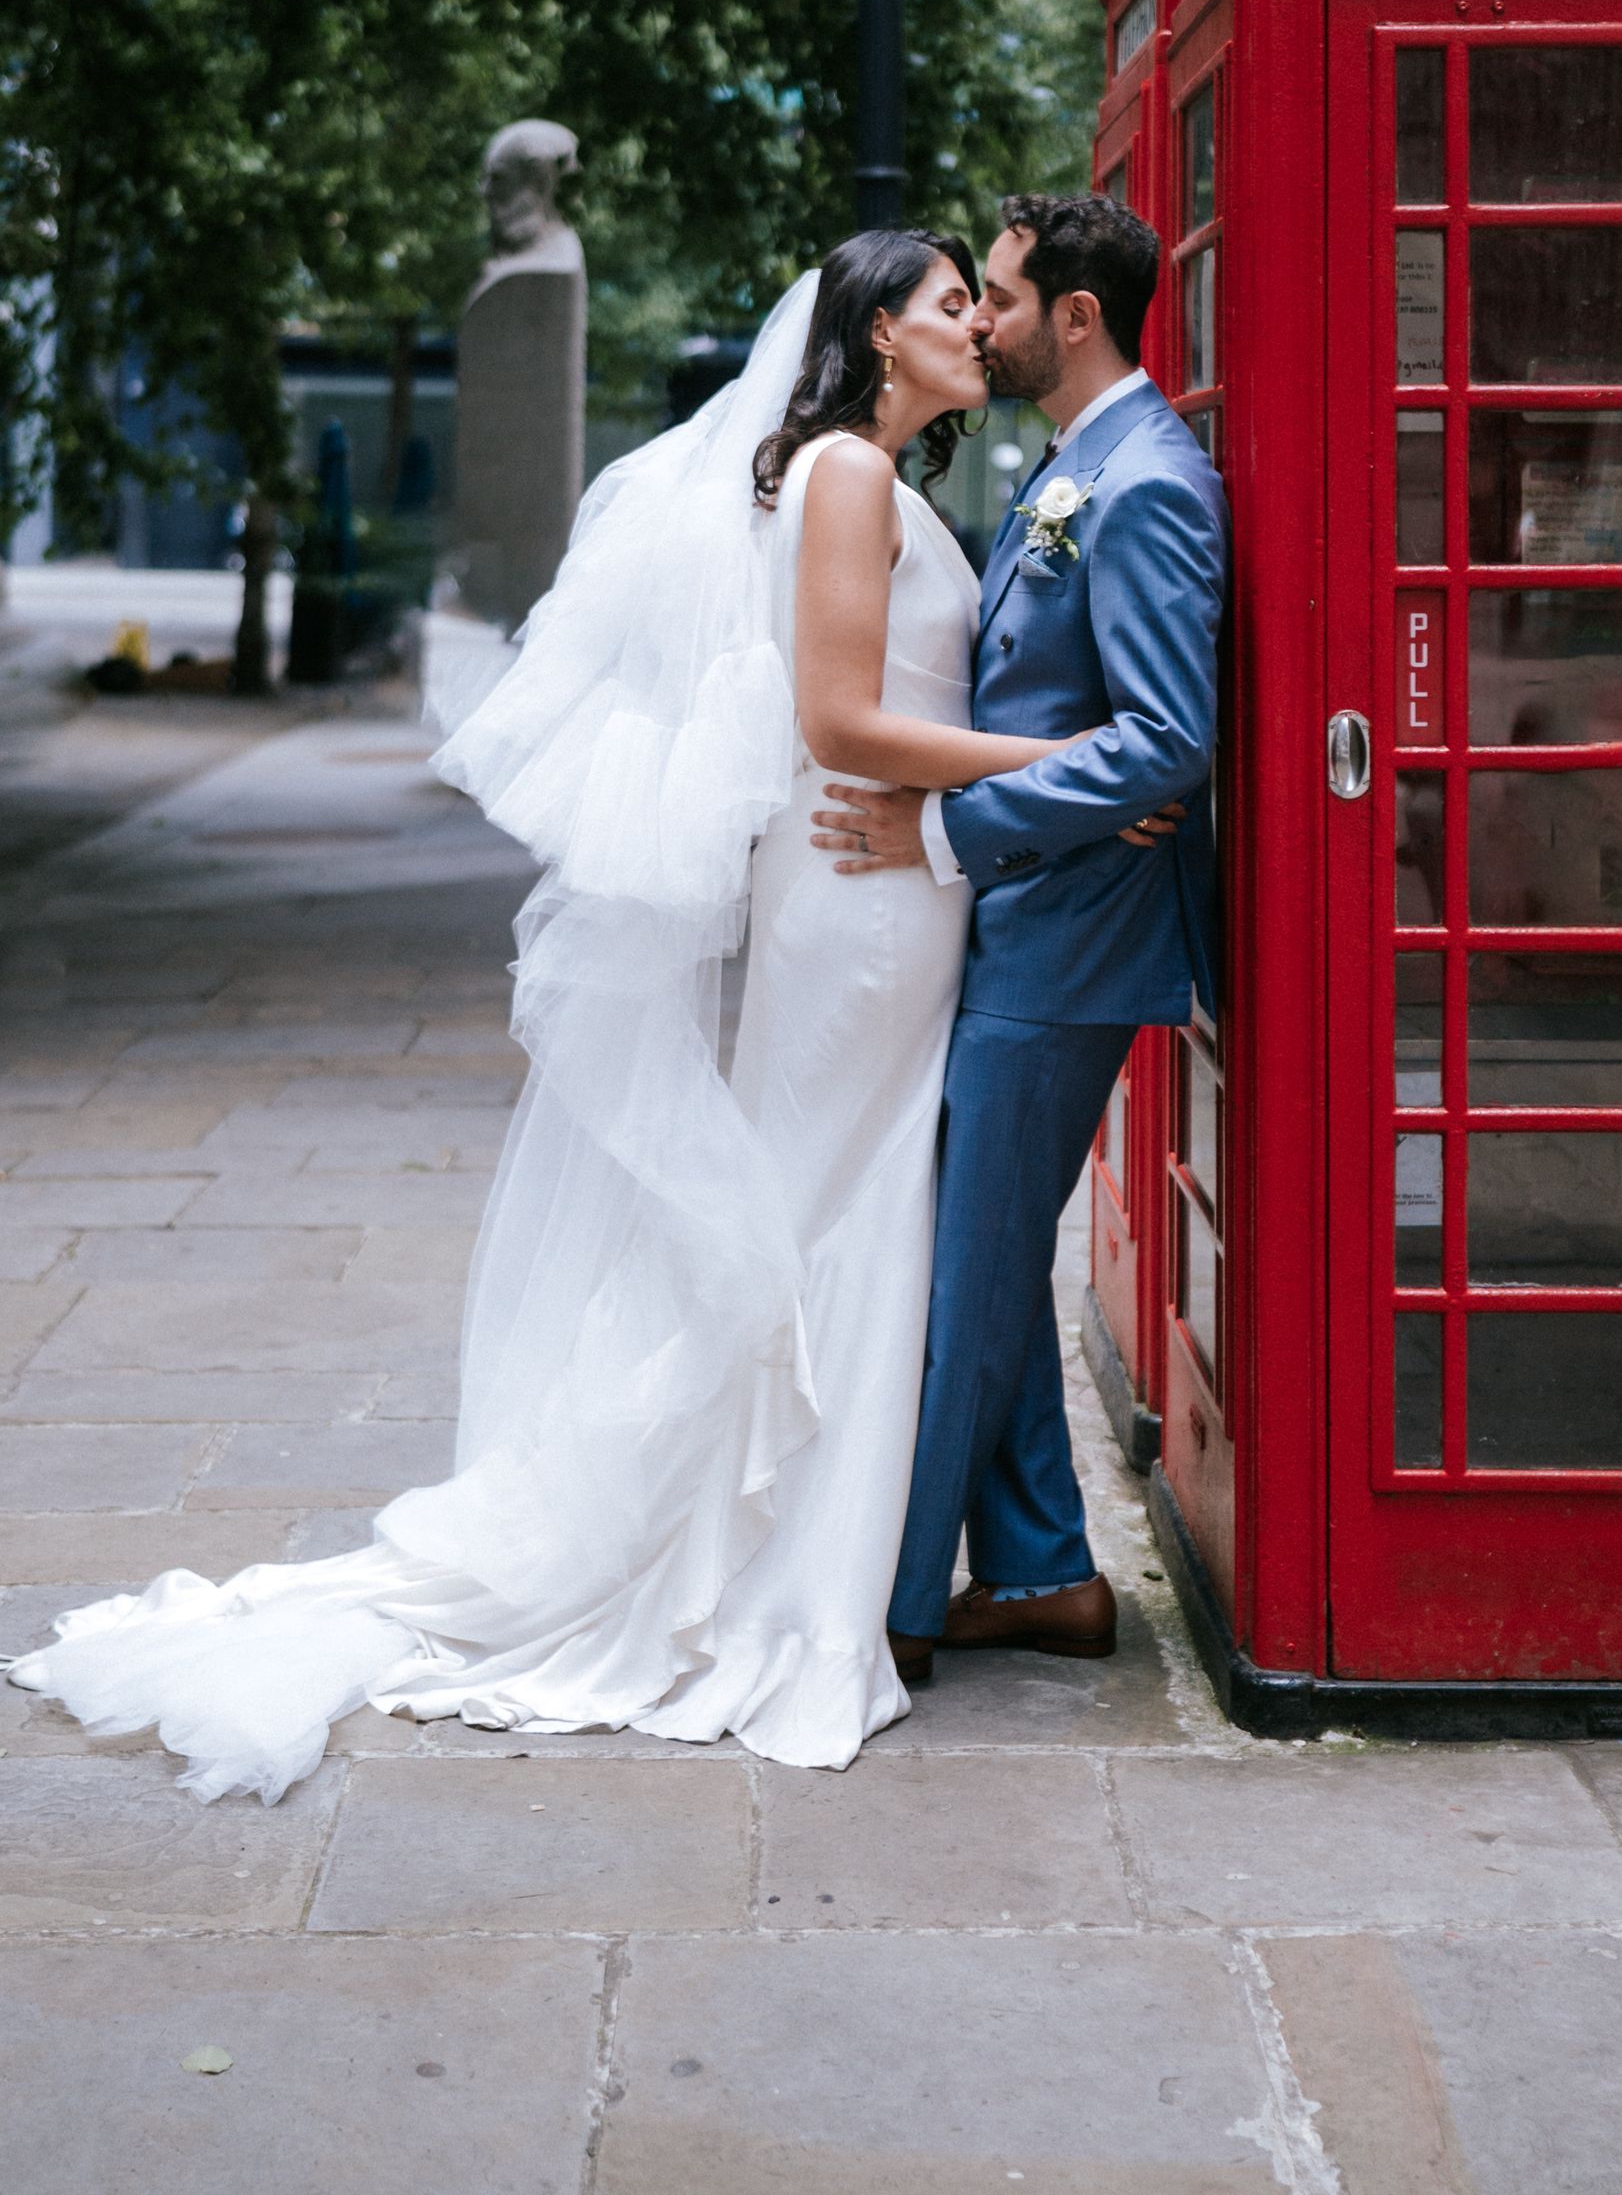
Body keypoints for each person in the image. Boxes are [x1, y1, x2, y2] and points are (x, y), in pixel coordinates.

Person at [4, 231, 1098, 1799]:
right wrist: (1068, 773)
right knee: (833, 1210)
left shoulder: (874, 477)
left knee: (857, 1207)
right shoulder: (853, 481)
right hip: (864, 898)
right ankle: (782, 1564)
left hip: (889, 887)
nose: (977, 326)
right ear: (873, 336)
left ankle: (836, 1546)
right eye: (947, 304)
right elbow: (840, 721)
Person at [809, 193, 1228, 1681]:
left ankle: (904, 1604)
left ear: (1076, 315)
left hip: (1070, 939)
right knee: (972, 1244)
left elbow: (1167, 739)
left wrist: (948, 828)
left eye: (995, 295)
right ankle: (1046, 1572)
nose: (979, 320)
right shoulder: (1079, 460)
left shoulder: (1147, 479)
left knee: (972, 1275)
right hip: (1032, 919)